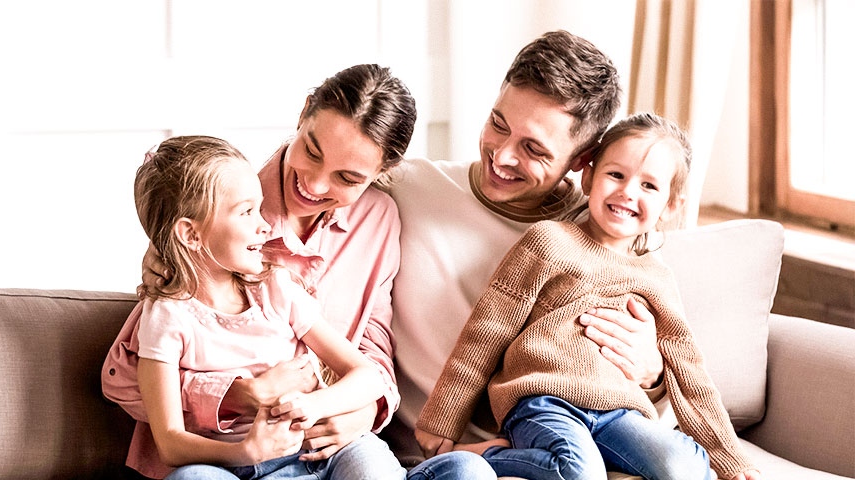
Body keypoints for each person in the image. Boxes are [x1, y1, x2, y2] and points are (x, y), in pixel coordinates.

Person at [103, 64, 495, 478]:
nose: (315, 184)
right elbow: (123, 376)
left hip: (322, 445)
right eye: (311, 150)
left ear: (380, 175)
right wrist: (241, 395)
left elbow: (373, 350)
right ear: (304, 113)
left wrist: (361, 410)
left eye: (347, 177)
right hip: (224, 454)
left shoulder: (377, 220)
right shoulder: (223, 212)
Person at [414, 113, 761, 480]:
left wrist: (732, 462)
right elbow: (487, 331)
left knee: (685, 466)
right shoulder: (548, 242)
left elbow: (691, 374)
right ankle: (482, 458)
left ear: (671, 206)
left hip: (620, 414)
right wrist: (443, 420)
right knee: (581, 472)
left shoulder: (657, 279)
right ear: (589, 176)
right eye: (616, 175)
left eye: (649, 186)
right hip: (543, 402)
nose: (628, 191)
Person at [386, 32, 671, 466]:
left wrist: (651, 374)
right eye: (498, 124)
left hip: (553, 457)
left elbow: (656, 418)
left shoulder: (609, 234)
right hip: (428, 459)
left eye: (533, 148)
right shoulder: (411, 187)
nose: (500, 157)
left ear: (583, 160)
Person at [125, 135, 406, 479]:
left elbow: (368, 375)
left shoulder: (275, 287)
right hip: (233, 465)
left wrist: (313, 405)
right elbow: (169, 443)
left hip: (319, 453)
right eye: (246, 212)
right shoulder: (166, 317)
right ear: (191, 234)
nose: (264, 225)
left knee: (371, 465)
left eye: (259, 208)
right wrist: (244, 451)